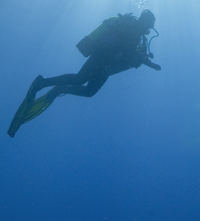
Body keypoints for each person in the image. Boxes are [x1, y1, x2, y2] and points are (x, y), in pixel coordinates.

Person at [8, 9, 161, 137]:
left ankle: (59, 89)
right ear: (145, 21)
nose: (149, 27)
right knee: (79, 79)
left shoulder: (139, 37)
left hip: (107, 66)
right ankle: (41, 82)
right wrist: (142, 59)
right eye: (150, 23)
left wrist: (151, 64)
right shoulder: (130, 26)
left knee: (89, 92)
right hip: (102, 56)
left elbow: (134, 55)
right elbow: (125, 48)